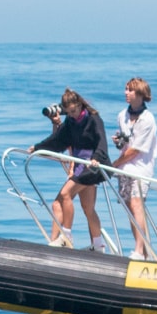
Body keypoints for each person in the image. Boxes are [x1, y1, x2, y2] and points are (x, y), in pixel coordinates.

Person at [30, 88, 110, 250]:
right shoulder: (71, 122)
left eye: (74, 111)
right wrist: (38, 147)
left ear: (80, 105)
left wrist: (96, 158)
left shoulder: (93, 119)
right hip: (80, 165)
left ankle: (66, 236)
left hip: (92, 166)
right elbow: (58, 140)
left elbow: (102, 142)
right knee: (88, 208)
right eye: (69, 112)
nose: (72, 114)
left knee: (65, 195)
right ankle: (98, 245)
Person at [112, 77, 157, 258]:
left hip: (140, 168)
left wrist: (113, 164)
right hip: (125, 168)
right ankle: (144, 251)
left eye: (130, 90)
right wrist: (118, 141)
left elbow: (136, 150)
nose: (126, 93)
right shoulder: (122, 115)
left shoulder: (147, 119)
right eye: (125, 89)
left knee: (137, 204)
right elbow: (126, 144)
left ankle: (139, 249)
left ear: (140, 94)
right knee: (130, 208)